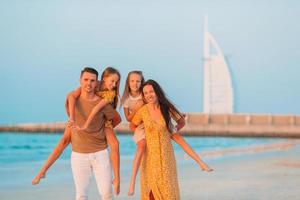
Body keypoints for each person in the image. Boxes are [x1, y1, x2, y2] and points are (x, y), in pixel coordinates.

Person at [32, 67, 121, 200]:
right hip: (79, 156)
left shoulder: (103, 103)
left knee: (107, 194)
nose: (88, 84)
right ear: (79, 80)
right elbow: (64, 141)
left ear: (97, 82)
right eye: (85, 80)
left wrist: (105, 128)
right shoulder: (74, 99)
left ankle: (117, 179)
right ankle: (43, 171)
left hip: (100, 153)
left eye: (92, 80)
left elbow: (117, 119)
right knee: (81, 196)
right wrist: (43, 170)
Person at [130, 79, 213, 200]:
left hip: (166, 158)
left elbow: (182, 123)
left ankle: (201, 164)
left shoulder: (167, 109)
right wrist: (141, 136)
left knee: (168, 192)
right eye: (145, 93)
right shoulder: (143, 111)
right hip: (149, 158)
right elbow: (132, 125)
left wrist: (173, 129)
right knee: (150, 194)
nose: (149, 95)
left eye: (151, 92)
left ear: (157, 92)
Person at [66, 67, 121, 193]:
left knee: (115, 144)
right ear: (103, 79)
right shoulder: (93, 86)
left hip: (106, 121)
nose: (114, 85)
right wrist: (72, 118)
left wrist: (91, 126)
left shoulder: (110, 94)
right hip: (81, 149)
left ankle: (117, 179)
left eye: (116, 82)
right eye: (112, 81)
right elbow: (72, 96)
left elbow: (96, 110)